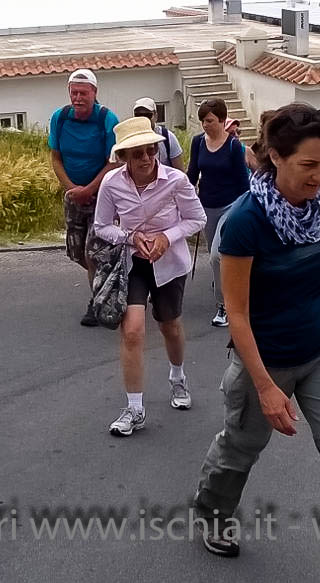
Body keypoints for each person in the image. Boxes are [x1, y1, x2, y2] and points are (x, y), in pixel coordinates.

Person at [193, 104, 320, 580]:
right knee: (238, 450)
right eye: (309, 165)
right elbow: (237, 315)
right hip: (263, 361)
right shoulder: (244, 223)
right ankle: (213, 511)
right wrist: (265, 387)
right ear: (275, 157)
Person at [93, 117, 206, 436]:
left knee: (169, 325)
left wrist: (165, 238)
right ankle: (134, 408)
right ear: (124, 157)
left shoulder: (176, 180)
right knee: (132, 331)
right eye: (137, 153)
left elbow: (196, 219)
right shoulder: (111, 183)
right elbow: (102, 226)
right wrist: (130, 237)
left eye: (150, 151)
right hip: (133, 264)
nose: (145, 159)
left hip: (169, 262)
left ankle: (178, 377)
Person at [48, 69, 121, 326]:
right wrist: (72, 189)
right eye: (74, 92)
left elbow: (113, 163)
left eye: (83, 93)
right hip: (73, 195)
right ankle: (110, 278)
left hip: (102, 196)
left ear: (94, 93)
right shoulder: (60, 118)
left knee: (93, 252)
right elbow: (56, 158)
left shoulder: (107, 120)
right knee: (77, 251)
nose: (78, 98)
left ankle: (97, 301)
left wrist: (89, 189)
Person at [187, 98, 250, 327]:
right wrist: (183, 198)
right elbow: (192, 173)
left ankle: (223, 307)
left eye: (210, 120)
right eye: (203, 120)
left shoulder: (233, 147)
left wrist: (245, 210)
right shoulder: (198, 143)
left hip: (230, 207)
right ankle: (232, 285)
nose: (205, 124)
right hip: (206, 207)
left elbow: (244, 183)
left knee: (216, 255)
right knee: (221, 259)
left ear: (223, 120)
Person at [132, 97, 183, 169]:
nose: (143, 119)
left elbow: (180, 172)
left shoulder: (167, 137)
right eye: (138, 115)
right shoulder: (130, 139)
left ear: (156, 116)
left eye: (147, 115)